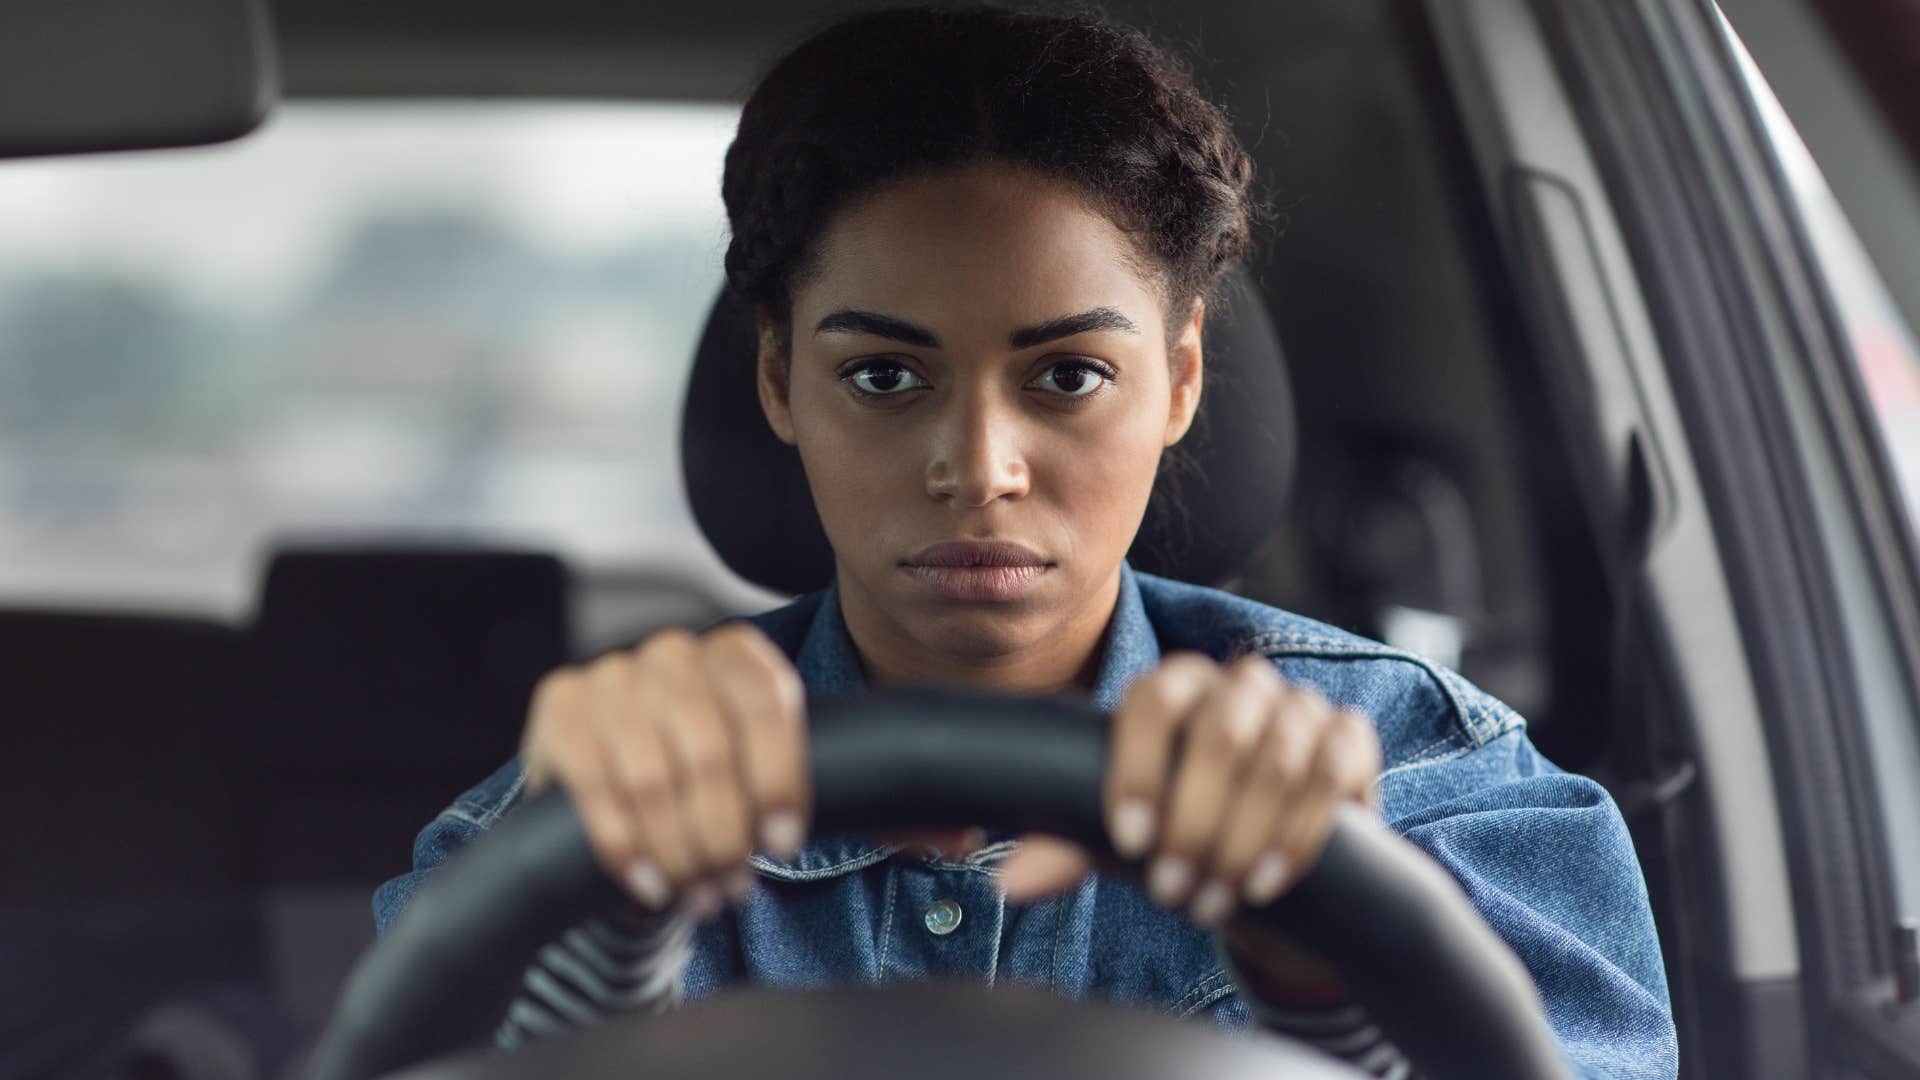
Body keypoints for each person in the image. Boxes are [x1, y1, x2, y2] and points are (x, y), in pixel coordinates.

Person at [373, 8, 1677, 1077]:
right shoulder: (551, 842)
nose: (980, 471)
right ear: (778, 384)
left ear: (1178, 385)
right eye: (886, 377)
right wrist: (602, 942)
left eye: (1065, 379)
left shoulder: (1429, 793)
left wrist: (1324, 979)